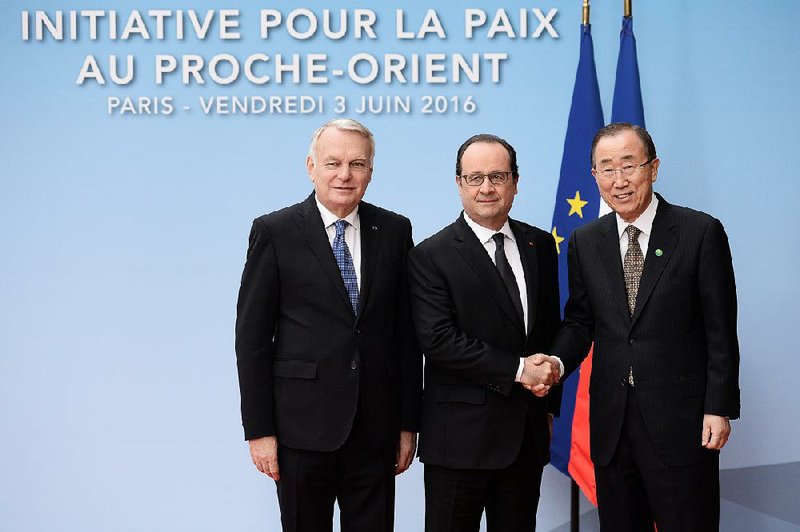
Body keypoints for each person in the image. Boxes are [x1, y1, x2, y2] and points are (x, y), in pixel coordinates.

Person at [547, 123, 741, 531]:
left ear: (653, 168)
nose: (619, 180)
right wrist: (556, 364)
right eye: (606, 168)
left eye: (629, 165)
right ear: (595, 176)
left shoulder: (699, 232)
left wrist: (718, 406)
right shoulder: (585, 241)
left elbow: (720, 329)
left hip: (682, 422)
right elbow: (581, 322)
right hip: (612, 425)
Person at [234, 118, 422, 532]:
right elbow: (251, 340)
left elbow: (407, 336)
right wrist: (259, 430)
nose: (345, 174)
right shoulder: (274, 231)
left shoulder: (394, 230)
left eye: (358, 164)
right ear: (310, 166)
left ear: (371, 171)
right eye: (333, 162)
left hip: (376, 430)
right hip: (299, 431)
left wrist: (409, 423)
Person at [408, 133, 562, 532]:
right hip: (459, 444)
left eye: (497, 175)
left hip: (525, 438)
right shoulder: (430, 255)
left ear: (515, 181)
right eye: (475, 177)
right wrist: (518, 370)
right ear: (458, 183)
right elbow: (439, 340)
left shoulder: (540, 245)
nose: (487, 187)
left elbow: (548, 329)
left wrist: (549, 402)